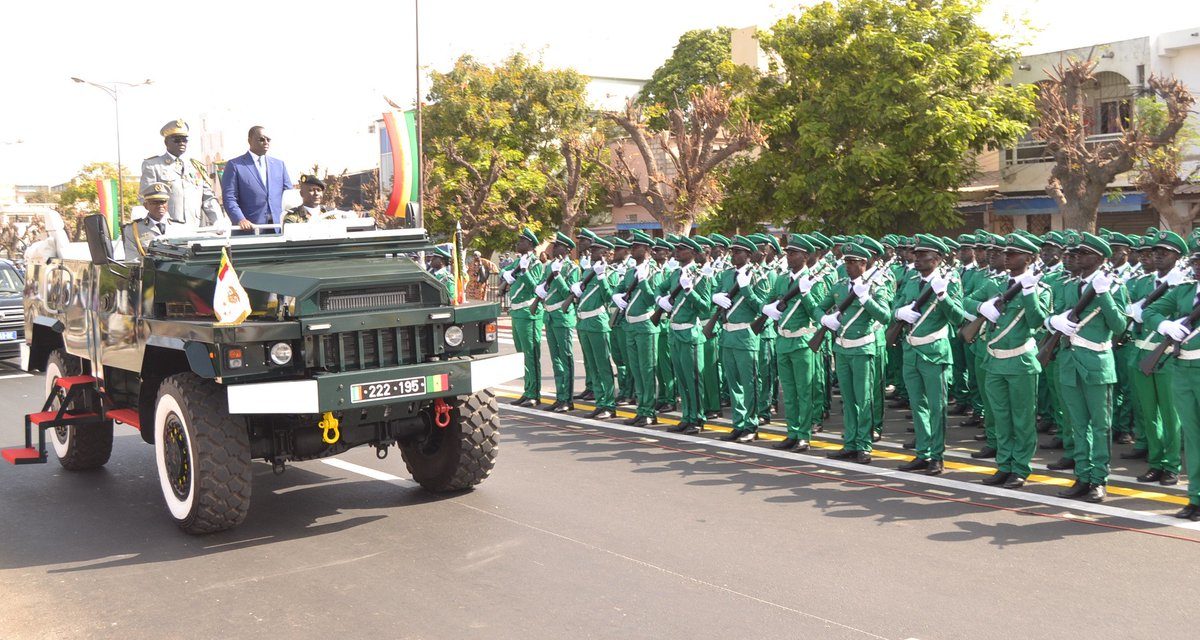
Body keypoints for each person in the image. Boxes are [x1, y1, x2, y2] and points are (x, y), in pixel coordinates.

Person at [966, 233, 1047, 489]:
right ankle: (1004, 464)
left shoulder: (1040, 288)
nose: (1007, 257)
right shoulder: (995, 284)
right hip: (995, 361)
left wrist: (1030, 292)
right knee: (1000, 417)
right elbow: (966, 300)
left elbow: (1037, 322)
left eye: (1014, 254)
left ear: (1030, 258)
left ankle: (1020, 468)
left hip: (1020, 361)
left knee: (1022, 419)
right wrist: (982, 308)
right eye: (1007, 253)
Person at [1051, 233, 1125, 503]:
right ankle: (1082, 476)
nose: (1077, 258)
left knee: (1101, 426)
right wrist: (1056, 321)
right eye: (1077, 254)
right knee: (1078, 424)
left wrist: (1104, 294)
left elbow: (1119, 326)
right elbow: (1053, 314)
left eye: (1084, 254)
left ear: (1098, 258)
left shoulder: (1113, 286)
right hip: (1070, 362)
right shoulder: (1070, 286)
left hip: (1096, 363)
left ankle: (1099, 479)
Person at [892, 235, 963, 476]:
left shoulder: (950, 282)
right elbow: (894, 306)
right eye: (917, 255)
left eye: (924, 256)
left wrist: (943, 297)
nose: (918, 260)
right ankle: (922, 453)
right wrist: (900, 312)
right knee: (917, 405)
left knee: (936, 406)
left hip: (934, 351)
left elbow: (958, 318)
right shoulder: (911, 280)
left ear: (938, 259)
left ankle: (937, 455)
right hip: (911, 350)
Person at [1143, 234, 1200, 522]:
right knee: (1192, 437)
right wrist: (1165, 324)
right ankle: (1195, 497)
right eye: (1196, 260)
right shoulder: (1184, 292)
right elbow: (1150, 310)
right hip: (1183, 370)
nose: (1199, 266)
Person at [818, 242, 891, 463]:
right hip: (842, 348)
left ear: (863, 263)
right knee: (848, 400)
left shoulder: (876, 286)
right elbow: (820, 306)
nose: (847, 266)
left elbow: (886, 317)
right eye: (846, 262)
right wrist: (824, 318)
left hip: (862, 348)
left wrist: (866, 299)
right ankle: (849, 442)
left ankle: (864, 445)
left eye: (852, 262)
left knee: (864, 398)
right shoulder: (840, 286)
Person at [1125, 230, 1188, 486]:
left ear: (1178, 257)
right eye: (1155, 252)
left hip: (1167, 356)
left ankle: (1171, 465)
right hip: (1141, 352)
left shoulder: (1184, 287)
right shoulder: (1142, 282)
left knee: (1170, 415)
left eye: (1165, 252)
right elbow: (1130, 311)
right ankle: (1156, 462)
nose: (1158, 256)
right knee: (1148, 414)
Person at [761, 234, 827, 450]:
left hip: (802, 341)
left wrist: (806, 293)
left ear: (805, 256)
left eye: (793, 253)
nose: (788, 256)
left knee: (804, 391)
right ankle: (792, 431)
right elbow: (768, 299)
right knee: (788, 391)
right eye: (787, 253)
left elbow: (817, 312)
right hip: (783, 340)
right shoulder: (781, 279)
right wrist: (767, 308)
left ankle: (804, 435)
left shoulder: (814, 280)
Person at [712, 235, 766, 443]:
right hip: (727, 335)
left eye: (738, 252)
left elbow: (761, 307)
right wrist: (715, 296)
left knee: (749, 383)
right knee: (734, 384)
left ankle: (751, 425)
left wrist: (746, 289)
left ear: (749, 255)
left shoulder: (758, 276)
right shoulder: (726, 275)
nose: (733, 255)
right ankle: (738, 423)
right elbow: (716, 294)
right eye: (732, 251)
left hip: (746, 336)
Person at [656, 236, 712, 434]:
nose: (677, 252)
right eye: (676, 249)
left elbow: (706, 307)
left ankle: (697, 418)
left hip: (690, 333)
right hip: (674, 332)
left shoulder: (700, 276)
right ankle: (686, 416)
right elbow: (659, 288)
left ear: (693, 253)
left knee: (693, 380)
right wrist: (660, 300)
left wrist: (689, 290)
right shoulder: (674, 274)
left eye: (682, 249)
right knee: (681, 379)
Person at [613, 230, 662, 427]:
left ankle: (649, 411)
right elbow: (620, 288)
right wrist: (616, 296)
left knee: (647, 369)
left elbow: (654, 300)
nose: (632, 250)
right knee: (636, 369)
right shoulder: (631, 271)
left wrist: (643, 284)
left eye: (636, 247)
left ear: (647, 249)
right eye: (631, 247)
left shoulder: (654, 272)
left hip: (646, 325)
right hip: (630, 325)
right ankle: (642, 408)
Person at [140, 119, 221, 228]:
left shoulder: (196, 166)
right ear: (166, 142)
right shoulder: (153, 165)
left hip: (195, 227)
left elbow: (208, 198)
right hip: (168, 228)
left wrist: (219, 221)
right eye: (177, 140)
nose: (182, 143)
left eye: (184, 140)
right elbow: (145, 197)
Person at [536, 232, 581, 412]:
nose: (554, 249)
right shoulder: (549, 267)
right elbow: (541, 288)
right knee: (556, 360)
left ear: (567, 250)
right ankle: (559, 396)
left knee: (566, 357)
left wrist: (558, 275)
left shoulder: (573, 269)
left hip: (563, 317)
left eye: (558, 246)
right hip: (550, 316)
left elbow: (568, 293)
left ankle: (567, 400)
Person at [574, 237, 616, 420]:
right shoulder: (586, 273)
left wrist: (601, 277)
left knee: (603, 366)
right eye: (591, 251)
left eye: (597, 251)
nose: (592, 254)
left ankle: (609, 404)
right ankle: (600, 402)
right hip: (584, 323)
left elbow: (610, 297)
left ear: (606, 254)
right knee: (592, 365)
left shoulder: (609, 272)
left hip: (598, 323)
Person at [221, 125, 293, 231]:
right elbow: (229, 198)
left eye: (268, 139)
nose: (266, 142)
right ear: (250, 141)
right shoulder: (235, 165)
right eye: (261, 139)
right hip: (250, 229)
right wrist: (240, 219)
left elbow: (288, 195)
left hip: (278, 228)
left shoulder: (279, 165)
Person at [504, 228, 546, 407]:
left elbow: (535, 288)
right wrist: (507, 273)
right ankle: (527, 390)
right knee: (522, 355)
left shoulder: (535, 264)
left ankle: (534, 394)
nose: (517, 243)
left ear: (530, 244)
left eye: (521, 241)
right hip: (517, 313)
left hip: (529, 313)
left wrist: (524, 271)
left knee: (531, 354)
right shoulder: (517, 262)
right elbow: (503, 272)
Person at [122, 182, 173, 258]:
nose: (160, 206)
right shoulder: (133, 230)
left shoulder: (177, 228)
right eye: (155, 202)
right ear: (146, 206)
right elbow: (132, 261)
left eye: (163, 202)